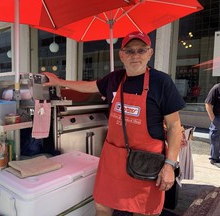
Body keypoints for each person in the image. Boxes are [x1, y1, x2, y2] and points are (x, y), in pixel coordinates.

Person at [43, 31, 185, 216]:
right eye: (130, 51)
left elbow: (175, 127)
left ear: (150, 53)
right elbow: (89, 86)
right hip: (113, 158)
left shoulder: (162, 82)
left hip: (146, 161)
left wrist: (169, 165)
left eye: (141, 50)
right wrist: (59, 82)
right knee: (102, 204)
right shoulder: (114, 78)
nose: (135, 55)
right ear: (121, 55)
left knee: (142, 211)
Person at [205, 83, 220, 166]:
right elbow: (208, 103)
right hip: (218, 117)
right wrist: (213, 119)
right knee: (215, 138)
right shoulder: (217, 88)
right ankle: (214, 158)